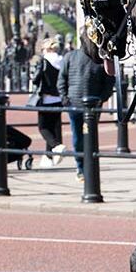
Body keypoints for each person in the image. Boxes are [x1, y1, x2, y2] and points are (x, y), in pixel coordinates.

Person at [58, 44, 114, 182]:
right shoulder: (70, 56)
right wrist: (65, 98)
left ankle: (88, 167)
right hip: (76, 104)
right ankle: (82, 167)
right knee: (81, 138)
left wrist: (101, 98)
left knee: (86, 138)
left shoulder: (99, 59)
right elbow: (62, 79)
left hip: (90, 104)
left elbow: (109, 81)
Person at [31, 38, 65, 166]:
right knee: (53, 126)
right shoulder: (62, 60)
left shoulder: (43, 61)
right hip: (58, 98)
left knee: (43, 127)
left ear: (46, 48)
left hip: (46, 98)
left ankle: (56, 146)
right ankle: (49, 157)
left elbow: (35, 79)